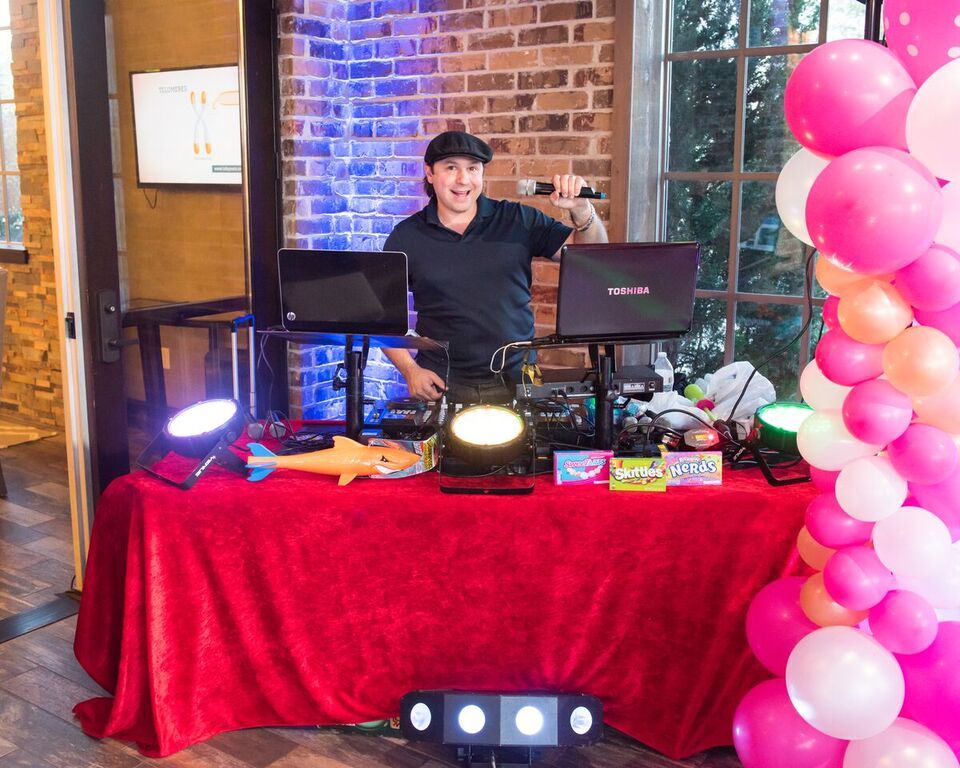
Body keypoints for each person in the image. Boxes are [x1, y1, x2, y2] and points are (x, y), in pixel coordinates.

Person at [383, 131, 608, 403]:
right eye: (451, 168)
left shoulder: (517, 219)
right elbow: (384, 319)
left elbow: (589, 257)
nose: (463, 180)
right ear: (430, 173)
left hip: (517, 380)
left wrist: (582, 210)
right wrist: (411, 370)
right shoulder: (405, 236)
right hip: (440, 383)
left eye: (472, 169)